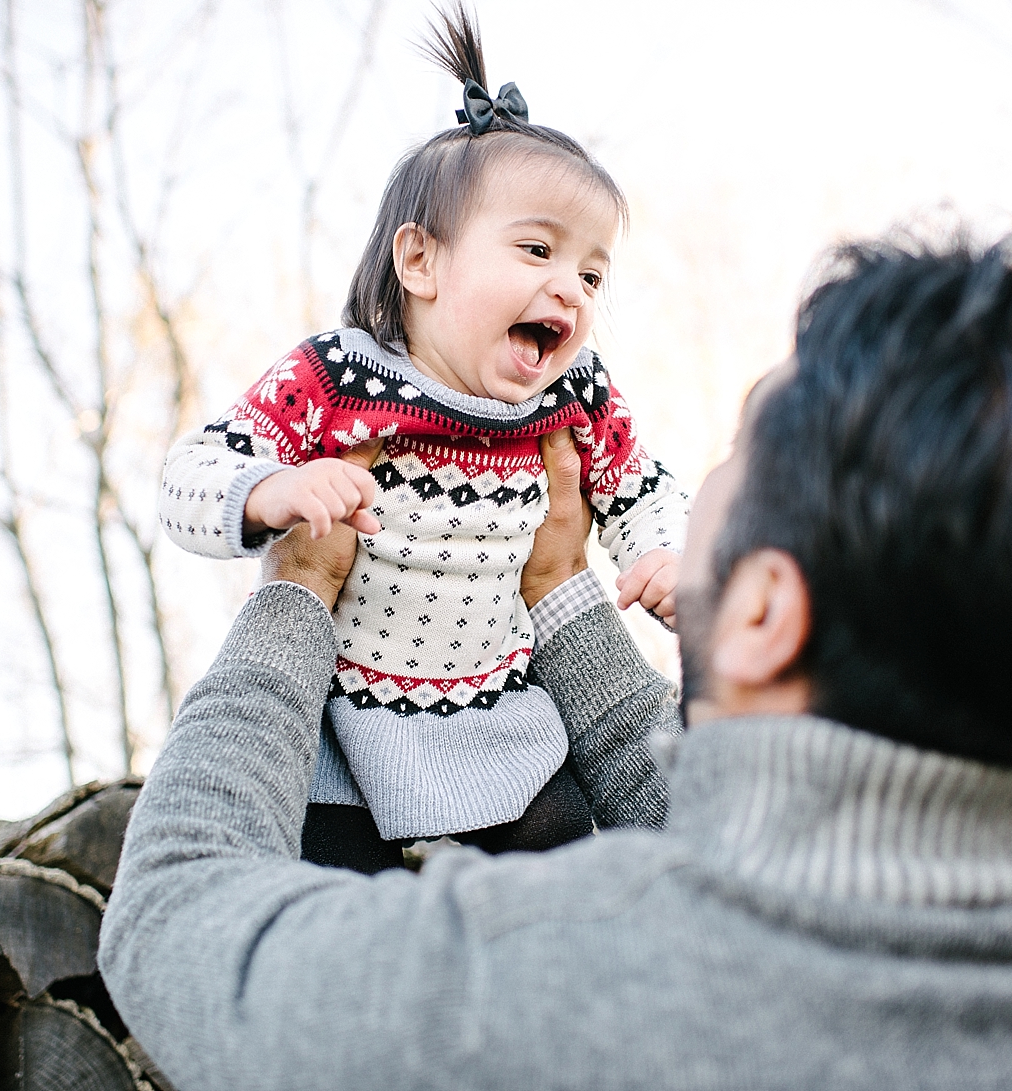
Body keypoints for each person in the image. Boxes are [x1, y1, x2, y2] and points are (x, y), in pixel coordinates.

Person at [101, 232, 1012, 1090]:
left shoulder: (529, 978)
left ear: (768, 610)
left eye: (730, 456)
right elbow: (758, 848)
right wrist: (564, 590)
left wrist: (293, 602)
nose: (693, 487)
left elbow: (170, 915)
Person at [156, 5, 687, 872]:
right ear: (421, 262)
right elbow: (188, 472)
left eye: (592, 272)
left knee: (564, 904)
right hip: (349, 758)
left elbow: (642, 484)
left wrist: (664, 552)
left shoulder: (574, 394)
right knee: (339, 920)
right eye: (536, 250)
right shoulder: (338, 378)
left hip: (517, 736)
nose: (572, 289)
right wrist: (267, 492)